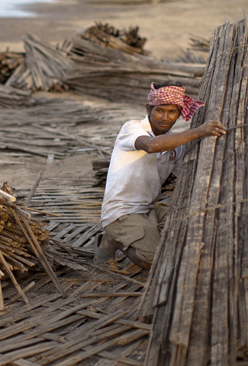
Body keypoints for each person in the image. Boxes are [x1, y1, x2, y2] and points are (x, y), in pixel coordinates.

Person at [95, 81, 226, 269]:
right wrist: (198, 132)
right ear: (149, 109)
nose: (165, 117)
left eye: (172, 112)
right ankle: (113, 238)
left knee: (191, 222)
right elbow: (152, 145)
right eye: (160, 111)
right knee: (155, 261)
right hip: (120, 212)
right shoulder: (132, 128)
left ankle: (120, 237)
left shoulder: (176, 146)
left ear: (179, 113)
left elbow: (185, 178)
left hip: (149, 210)